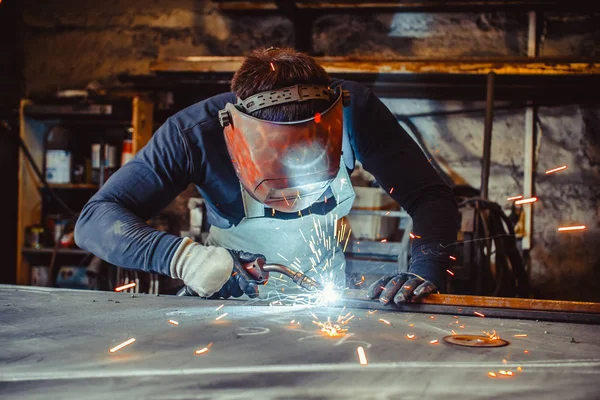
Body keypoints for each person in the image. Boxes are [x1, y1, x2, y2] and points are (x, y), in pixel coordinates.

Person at [75, 47, 459, 304]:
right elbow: (95, 219)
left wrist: (423, 273)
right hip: (226, 292)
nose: (294, 195)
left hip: (325, 296)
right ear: (239, 138)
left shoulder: (355, 112)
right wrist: (185, 260)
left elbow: (430, 195)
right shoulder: (195, 133)